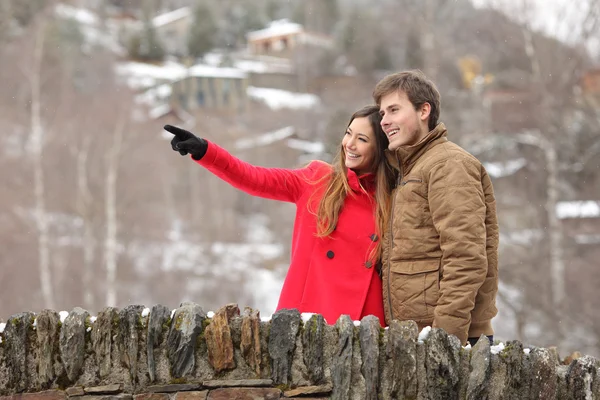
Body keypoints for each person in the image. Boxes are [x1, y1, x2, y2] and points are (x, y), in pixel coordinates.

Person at [163, 105, 396, 326]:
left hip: (363, 321)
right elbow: (255, 178)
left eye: (362, 139)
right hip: (304, 315)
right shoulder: (317, 179)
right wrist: (206, 151)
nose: (350, 144)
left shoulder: (392, 201)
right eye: (348, 133)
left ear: (379, 149)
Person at [373, 70, 499, 346]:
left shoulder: (448, 165)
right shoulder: (410, 169)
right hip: (418, 335)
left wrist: (445, 338)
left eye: (394, 110)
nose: (384, 121)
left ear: (423, 110)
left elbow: (466, 257)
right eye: (382, 113)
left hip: (451, 336)